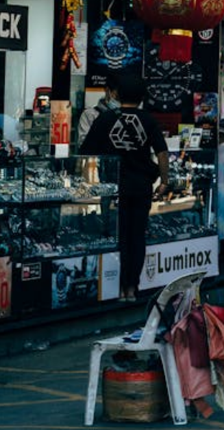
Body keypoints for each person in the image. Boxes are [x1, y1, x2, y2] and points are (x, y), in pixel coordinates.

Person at [78, 71, 169, 302]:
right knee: (137, 237)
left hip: (114, 188)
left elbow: (86, 151)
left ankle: (117, 288)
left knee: (118, 236)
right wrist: (165, 181)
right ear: (141, 97)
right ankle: (132, 289)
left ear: (117, 94)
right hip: (141, 187)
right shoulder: (148, 119)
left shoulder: (106, 119)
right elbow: (162, 152)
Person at [76, 80, 120, 144]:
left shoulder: (125, 115)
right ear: (107, 91)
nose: (119, 100)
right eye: (117, 96)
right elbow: (83, 143)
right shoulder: (90, 114)